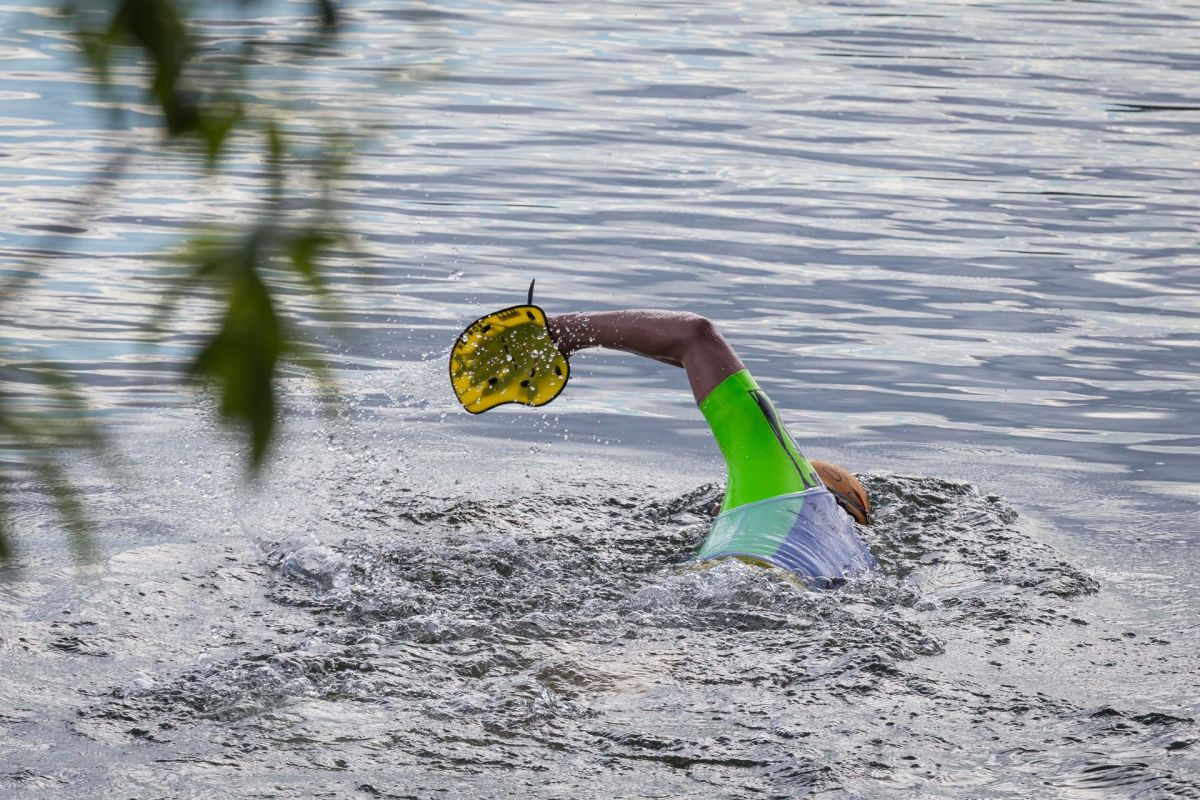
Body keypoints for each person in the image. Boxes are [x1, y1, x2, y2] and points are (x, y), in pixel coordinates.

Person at [541, 310, 875, 587]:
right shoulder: (858, 561)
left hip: (729, 580)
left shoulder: (793, 484)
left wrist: (558, 331)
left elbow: (695, 335)